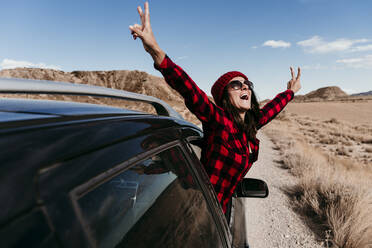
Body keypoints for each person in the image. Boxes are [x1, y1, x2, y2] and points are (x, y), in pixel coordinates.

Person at [129, 2, 301, 213]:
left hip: (219, 210)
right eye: (236, 84)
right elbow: (189, 90)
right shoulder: (218, 120)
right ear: (224, 97)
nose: (244, 86)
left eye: (247, 84)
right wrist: (157, 52)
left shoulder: (251, 124)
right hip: (197, 210)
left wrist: (290, 92)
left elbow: (272, 109)